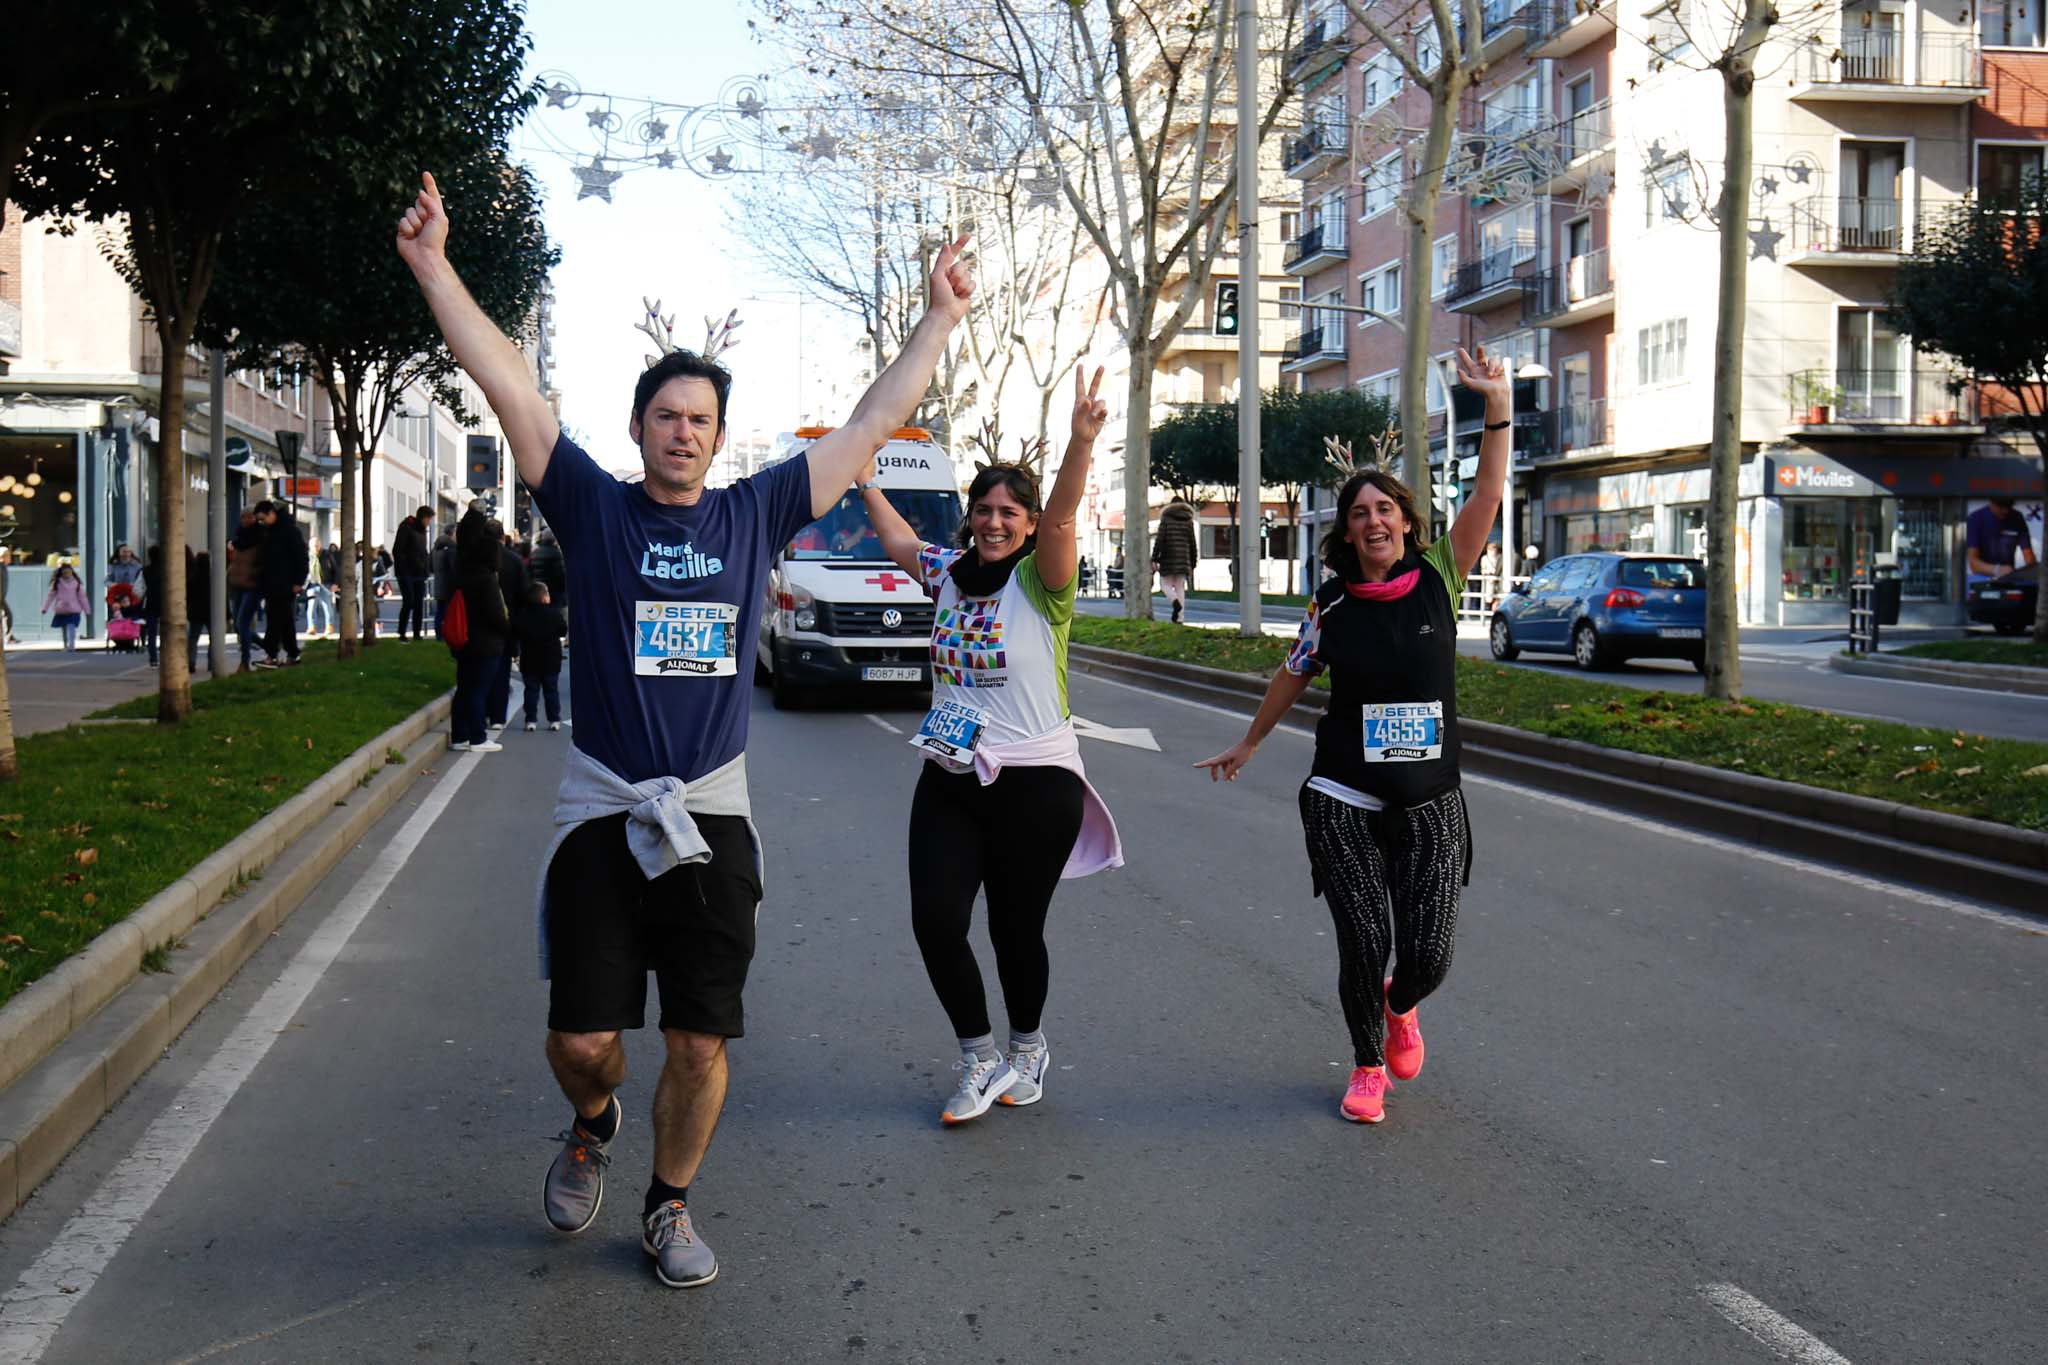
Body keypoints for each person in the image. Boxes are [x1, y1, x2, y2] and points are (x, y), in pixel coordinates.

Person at [398, 168, 973, 1288]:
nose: (682, 432)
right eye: (664, 415)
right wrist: (433, 265)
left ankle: (667, 1205)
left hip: (712, 818)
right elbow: (508, 382)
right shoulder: (594, 506)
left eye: (699, 419)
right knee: (581, 1041)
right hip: (602, 810)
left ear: (718, 436)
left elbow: (868, 424)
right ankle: (594, 1120)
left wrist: (938, 318)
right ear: (636, 428)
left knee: (701, 1040)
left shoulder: (754, 509)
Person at [1194, 346, 1511, 1127]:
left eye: (1383, 509)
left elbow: (1491, 488)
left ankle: (1401, 1008)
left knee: (1427, 954)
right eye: (1358, 513)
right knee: (1364, 936)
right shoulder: (1331, 605)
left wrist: (1496, 404)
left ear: (1405, 519)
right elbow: (1294, 674)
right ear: (1346, 532)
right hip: (1342, 792)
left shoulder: (1442, 572)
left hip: (1431, 793)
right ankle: (1368, 1063)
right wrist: (1250, 743)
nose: (1372, 520)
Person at [855, 365, 1123, 1126]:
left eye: (1011, 510)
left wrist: (1079, 443)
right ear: (970, 517)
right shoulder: (944, 574)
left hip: (1036, 783)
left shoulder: (1043, 581)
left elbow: (1068, 514)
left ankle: (1028, 1045)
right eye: (985, 509)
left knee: (1013, 930)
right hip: (948, 774)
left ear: (1030, 523)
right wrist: (864, 480)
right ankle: (979, 1055)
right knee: (935, 919)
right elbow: (900, 538)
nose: (996, 520)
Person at [450, 507, 507, 753]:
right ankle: (477, 737)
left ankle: (460, 735)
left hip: (465, 639)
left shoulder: (463, 570)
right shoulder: (487, 579)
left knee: (465, 687)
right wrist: (508, 628)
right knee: (478, 690)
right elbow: (495, 614)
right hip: (486, 642)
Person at [255, 502, 308, 668]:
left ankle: (272, 655)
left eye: (263, 519)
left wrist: (298, 581)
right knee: (284, 620)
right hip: (275, 583)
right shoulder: (270, 532)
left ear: (272, 513)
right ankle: (292, 653)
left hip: (283, 583)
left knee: (275, 620)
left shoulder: (288, 531)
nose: (262, 522)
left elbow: (300, 557)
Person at [488, 519, 527, 729]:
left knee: (482, 669)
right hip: (508, 620)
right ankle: (497, 715)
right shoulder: (514, 560)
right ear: (503, 537)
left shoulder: (475, 558)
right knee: (502, 670)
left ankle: (483, 713)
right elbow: (523, 592)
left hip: (482, 622)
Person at [515, 580, 568, 731]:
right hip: (550, 659)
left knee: (531, 690)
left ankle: (530, 720)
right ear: (545, 597)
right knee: (551, 690)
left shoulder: (524, 614)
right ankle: (554, 719)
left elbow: (517, 631)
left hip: (530, 659)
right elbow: (563, 630)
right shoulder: (553, 613)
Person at [1965, 496, 2038, 585]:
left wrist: (2032, 575)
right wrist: (1997, 570)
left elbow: (2028, 556)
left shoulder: (2017, 517)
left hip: (2008, 579)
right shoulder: (1975, 519)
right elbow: (1973, 563)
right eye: (2001, 506)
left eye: (2008, 506)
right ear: (1991, 502)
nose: (2005, 511)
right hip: (1981, 580)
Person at [1149, 498, 1199, 624]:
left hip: (1168, 557)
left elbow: (1159, 540)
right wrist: (1193, 562)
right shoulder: (1188, 521)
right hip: (1184, 559)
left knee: (1165, 584)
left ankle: (1174, 601)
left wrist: (1154, 557)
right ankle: (1180, 618)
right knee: (1180, 587)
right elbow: (1192, 543)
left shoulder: (1166, 520)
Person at [229, 507, 266, 670]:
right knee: (238, 625)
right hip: (237, 584)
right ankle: (266, 645)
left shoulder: (261, 537)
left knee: (242, 623)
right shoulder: (237, 539)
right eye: (243, 517)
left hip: (252, 585)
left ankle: (245, 661)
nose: (245, 520)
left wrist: (255, 575)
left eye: (249, 517)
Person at [393, 505, 435, 639]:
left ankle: (417, 633)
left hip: (419, 572)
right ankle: (402, 632)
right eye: (429, 519)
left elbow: (422, 552)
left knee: (418, 603)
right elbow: (398, 551)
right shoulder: (406, 528)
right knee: (409, 601)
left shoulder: (422, 531)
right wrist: (403, 569)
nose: (429, 523)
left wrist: (425, 568)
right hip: (407, 572)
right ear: (424, 518)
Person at [42, 563, 89, 650]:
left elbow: (82, 597)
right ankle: (65, 644)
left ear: (72, 572)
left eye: (69, 572)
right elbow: (51, 596)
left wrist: (87, 610)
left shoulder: (76, 584)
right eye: (65, 573)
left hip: (74, 609)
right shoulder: (58, 583)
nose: (67, 574)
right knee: (64, 628)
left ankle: (72, 645)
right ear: (62, 573)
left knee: (71, 626)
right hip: (62, 609)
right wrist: (45, 608)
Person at [431, 523, 459, 640]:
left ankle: (439, 634)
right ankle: (447, 634)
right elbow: (454, 568)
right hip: (449, 585)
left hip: (439, 584)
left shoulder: (436, 548)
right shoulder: (451, 549)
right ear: (452, 534)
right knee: (448, 611)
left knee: (440, 611)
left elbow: (431, 567)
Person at [528, 527, 567, 605]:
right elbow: (561, 574)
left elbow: (529, 572)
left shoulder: (534, 552)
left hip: (538, 592)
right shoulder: (556, 553)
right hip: (554, 592)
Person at [140, 545, 164, 664]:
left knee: (152, 633)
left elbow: (139, 588)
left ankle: (153, 658)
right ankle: (166, 655)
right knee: (167, 630)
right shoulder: (166, 569)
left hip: (150, 602)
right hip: (165, 602)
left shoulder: (145, 570)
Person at [0, 546, 18, 644]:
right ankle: (8, 636)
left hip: (2, 597)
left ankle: (8, 636)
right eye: (8, 556)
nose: (10, 558)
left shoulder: (4, 567)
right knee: (7, 615)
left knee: (7, 616)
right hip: (0, 597)